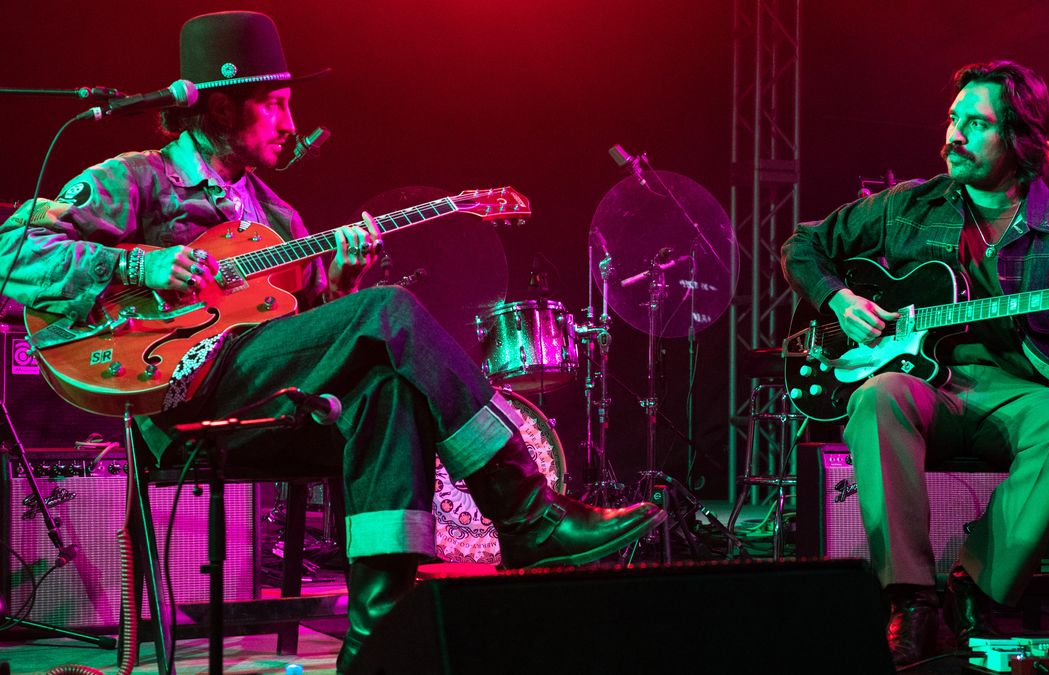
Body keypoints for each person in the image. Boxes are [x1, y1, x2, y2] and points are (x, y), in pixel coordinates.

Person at [0, 11, 664, 671]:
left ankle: (375, 644)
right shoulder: (139, 179)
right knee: (392, 309)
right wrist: (137, 264)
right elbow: (13, 252)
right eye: (276, 104)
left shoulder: (279, 217)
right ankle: (526, 511)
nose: (290, 124)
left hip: (268, 406)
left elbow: (321, 336)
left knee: (384, 391)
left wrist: (341, 285)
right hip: (175, 394)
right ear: (222, 107)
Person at [782, 60, 1049, 665]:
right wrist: (839, 301)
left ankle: (971, 592)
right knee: (877, 396)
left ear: (1021, 139)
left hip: (1023, 390)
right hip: (932, 391)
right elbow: (802, 245)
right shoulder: (907, 208)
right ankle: (912, 600)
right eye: (954, 120)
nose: (955, 135)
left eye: (977, 124)